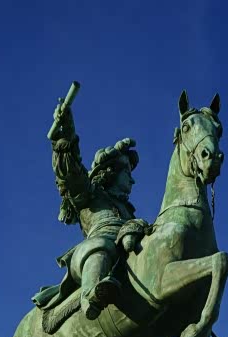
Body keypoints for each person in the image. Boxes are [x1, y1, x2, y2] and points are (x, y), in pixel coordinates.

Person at [34, 98, 149, 321]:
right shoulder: (90, 194)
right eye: (127, 172)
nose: (132, 180)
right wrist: (66, 135)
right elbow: (71, 175)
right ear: (111, 172)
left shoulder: (127, 210)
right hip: (93, 250)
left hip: (125, 246)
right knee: (101, 245)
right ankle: (91, 295)